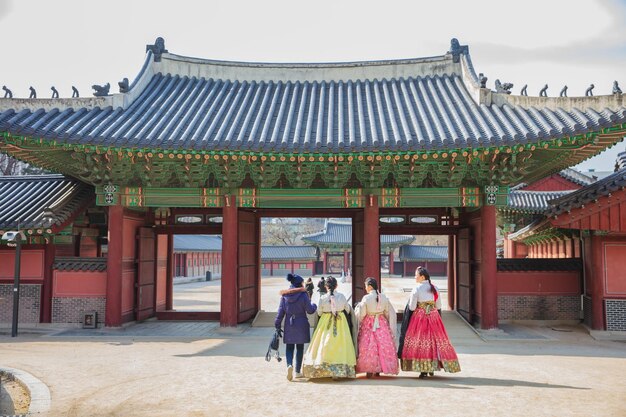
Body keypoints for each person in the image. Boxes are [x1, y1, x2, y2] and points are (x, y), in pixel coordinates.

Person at [398, 267, 460, 378]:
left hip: (420, 318)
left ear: (422, 277)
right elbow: (439, 306)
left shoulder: (416, 289)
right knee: (434, 342)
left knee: (421, 342)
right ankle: (432, 367)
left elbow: (412, 307)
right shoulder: (435, 288)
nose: (415, 277)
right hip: (434, 317)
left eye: (416, 275)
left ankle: (423, 370)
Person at [302, 276, 357, 379]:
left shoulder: (322, 298)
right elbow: (348, 310)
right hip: (340, 322)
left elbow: (319, 312)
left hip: (325, 321)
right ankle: (339, 370)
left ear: (326, 287)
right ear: (336, 286)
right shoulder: (341, 296)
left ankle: (325, 368)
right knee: (341, 344)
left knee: (324, 343)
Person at [275, 273, 318, 381]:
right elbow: (310, 310)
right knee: (300, 348)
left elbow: (280, 312)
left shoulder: (284, 296)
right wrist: (314, 305)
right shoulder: (304, 295)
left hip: (289, 324)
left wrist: (277, 324)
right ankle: (298, 372)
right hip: (301, 323)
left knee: (289, 347)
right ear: (300, 284)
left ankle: (289, 365)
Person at [355, 277, 399, 377]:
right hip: (381, 322)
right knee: (383, 345)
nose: (365, 288)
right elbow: (388, 312)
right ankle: (380, 369)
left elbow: (362, 313)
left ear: (369, 287)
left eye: (366, 286)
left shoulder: (366, 298)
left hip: (369, 323)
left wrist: (360, 320)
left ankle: (369, 369)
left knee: (368, 345)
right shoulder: (383, 297)